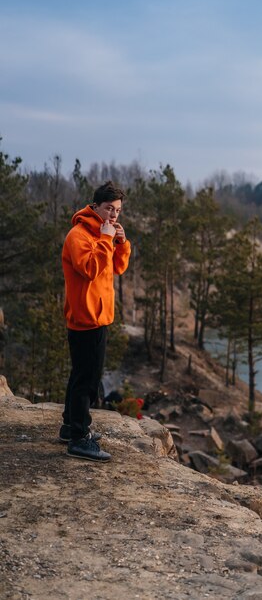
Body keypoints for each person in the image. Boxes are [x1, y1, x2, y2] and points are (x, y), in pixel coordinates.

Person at [59, 181, 131, 462]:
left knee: (80, 375)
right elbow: (89, 269)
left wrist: (120, 242)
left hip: (98, 316)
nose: (113, 216)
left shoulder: (104, 233)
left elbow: (117, 267)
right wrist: (105, 239)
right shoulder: (79, 235)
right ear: (95, 207)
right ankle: (79, 437)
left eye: (118, 211)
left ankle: (69, 427)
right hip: (86, 319)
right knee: (87, 381)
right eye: (109, 209)